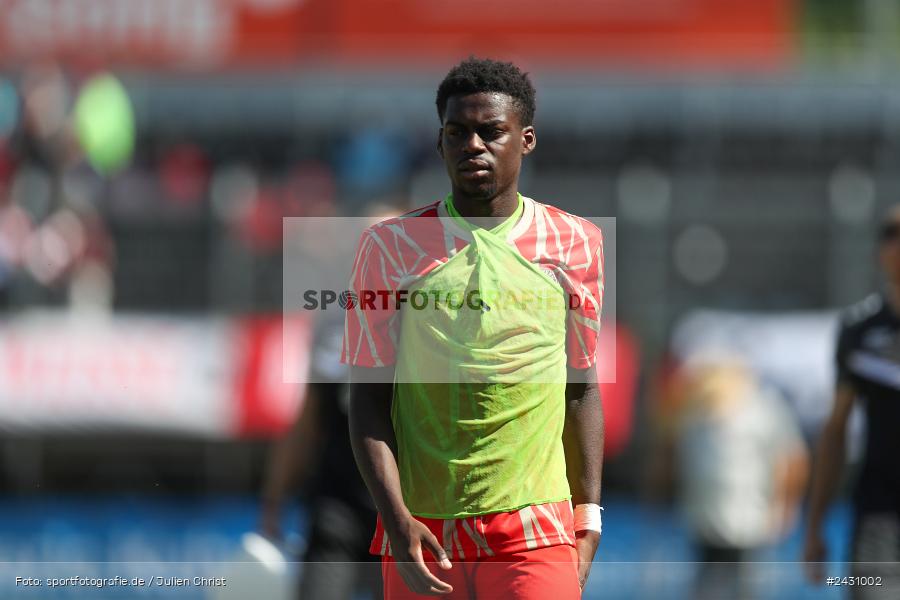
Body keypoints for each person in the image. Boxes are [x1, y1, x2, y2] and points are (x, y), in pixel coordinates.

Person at [342, 58, 605, 599]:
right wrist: (394, 521)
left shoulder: (576, 244)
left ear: (526, 140)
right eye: (457, 132)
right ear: (440, 144)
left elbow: (581, 387)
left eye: (492, 131)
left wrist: (590, 515)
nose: (473, 146)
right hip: (423, 533)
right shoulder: (388, 248)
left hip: (536, 531)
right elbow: (367, 399)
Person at [805, 206, 900, 597]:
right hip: (879, 515)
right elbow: (836, 430)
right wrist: (814, 526)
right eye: (892, 233)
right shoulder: (860, 331)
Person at [261, 317, 383, 600]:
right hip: (338, 511)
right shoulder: (334, 329)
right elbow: (306, 421)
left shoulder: (422, 321)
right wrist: (272, 501)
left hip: (404, 516)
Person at [672, 358, 808, 600]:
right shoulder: (693, 412)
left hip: (750, 524)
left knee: (748, 590)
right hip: (704, 524)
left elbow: (793, 458)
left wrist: (787, 507)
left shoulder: (764, 410)